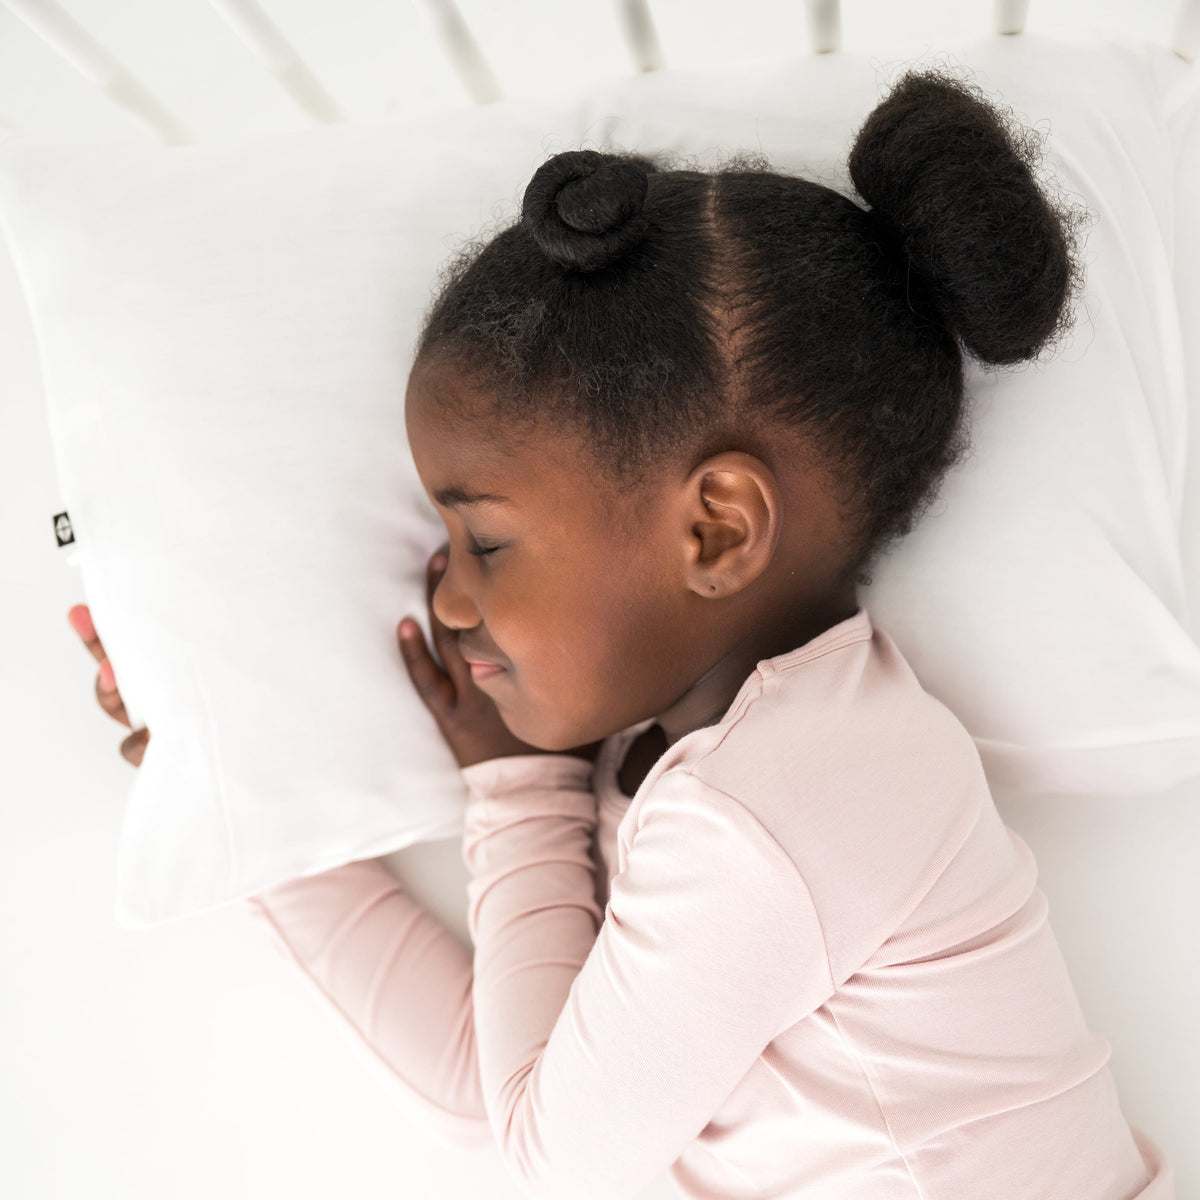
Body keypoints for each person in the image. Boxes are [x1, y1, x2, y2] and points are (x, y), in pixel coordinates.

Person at [68, 65, 1175, 1200]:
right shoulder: (718, 771)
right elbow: (499, 1090)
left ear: (715, 529)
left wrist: (519, 793)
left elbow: (549, 1150)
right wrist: (222, 776)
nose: (447, 596)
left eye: (485, 540)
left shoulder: (779, 806)